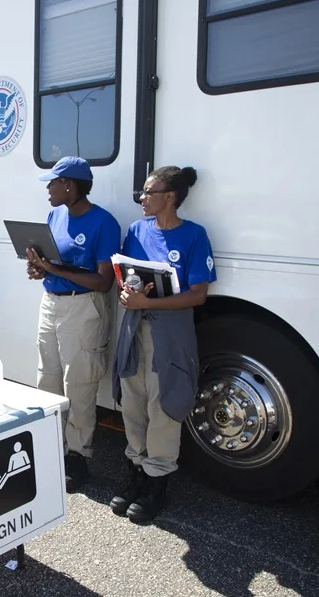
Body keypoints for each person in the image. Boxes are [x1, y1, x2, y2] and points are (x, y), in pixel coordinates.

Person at [110, 166, 216, 523]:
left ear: (169, 197)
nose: (141, 199)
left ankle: (158, 481)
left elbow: (198, 295)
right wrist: (127, 292)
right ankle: (136, 471)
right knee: (133, 401)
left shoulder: (194, 236)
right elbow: (126, 275)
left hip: (169, 336)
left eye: (148, 192)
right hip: (134, 330)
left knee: (163, 405)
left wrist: (148, 304)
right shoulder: (137, 231)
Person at [26, 156, 121, 492]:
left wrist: (55, 270)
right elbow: (52, 263)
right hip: (50, 302)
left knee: (78, 384)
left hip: (83, 308)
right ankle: (50, 444)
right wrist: (39, 268)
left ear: (69, 185)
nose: (48, 190)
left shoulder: (104, 223)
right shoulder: (55, 215)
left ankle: (77, 456)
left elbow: (103, 281)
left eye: (52, 183)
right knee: (47, 378)